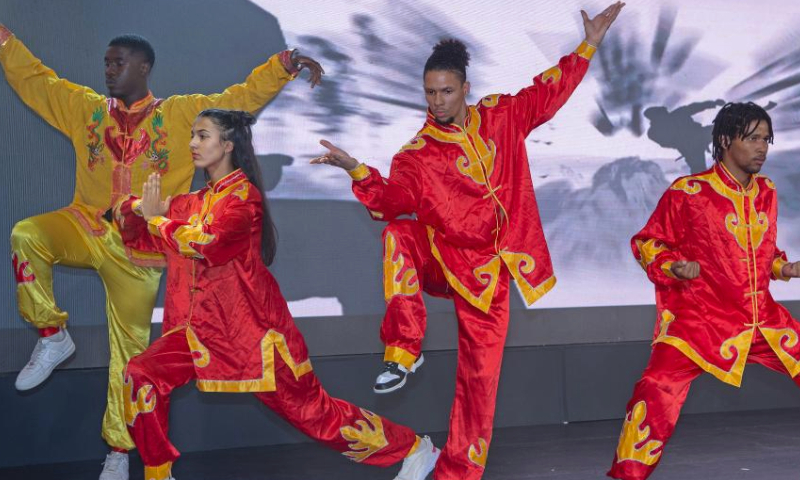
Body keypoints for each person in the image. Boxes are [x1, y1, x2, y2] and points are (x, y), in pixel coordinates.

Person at [311, 3, 624, 479]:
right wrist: (357, 169)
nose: (437, 101)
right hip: (444, 259)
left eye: (446, 91)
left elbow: (549, 91)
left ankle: (458, 472)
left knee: (480, 382)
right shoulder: (417, 155)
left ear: (465, 89)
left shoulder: (501, 116)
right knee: (399, 233)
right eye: (430, 92)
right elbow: (391, 202)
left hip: (490, 275)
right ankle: (403, 351)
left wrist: (589, 45)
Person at [0, 23, 323, 480]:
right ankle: (52, 335)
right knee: (26, 234)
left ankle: (118, 449)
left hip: (141, 251)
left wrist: (282, 65)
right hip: (87, 224)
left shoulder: (178, 115)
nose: (109, 70)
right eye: (106, 63)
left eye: (118, 63)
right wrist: (5, 41)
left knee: (130, 357)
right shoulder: (85, 108)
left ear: (144, 67)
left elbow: (239, 99)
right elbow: (37, 80)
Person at [115, 109, 440, 480]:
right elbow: (132, 226)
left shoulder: (244, 200)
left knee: (317, 417)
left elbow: (208, 244)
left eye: (202, 135)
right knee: (140, 374)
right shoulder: (192, 203)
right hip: (196, 335)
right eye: (192, 135)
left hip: (255, 337)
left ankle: (413, 448)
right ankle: (158, 474)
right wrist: (138, 208)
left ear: (228, 144)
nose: (192, 143)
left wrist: (157, 219)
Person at [608, 102, 800, 480]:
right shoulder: (689, 192)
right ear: (725, 140)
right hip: (699, 320)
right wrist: (673, 266)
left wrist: (784, 267)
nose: (762, 147)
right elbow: (648, 243)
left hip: (760, 319)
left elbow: (762, 252)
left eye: (766, 139)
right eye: (753, 138)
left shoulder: (767, 191)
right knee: (656, 387)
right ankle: (628, 475)